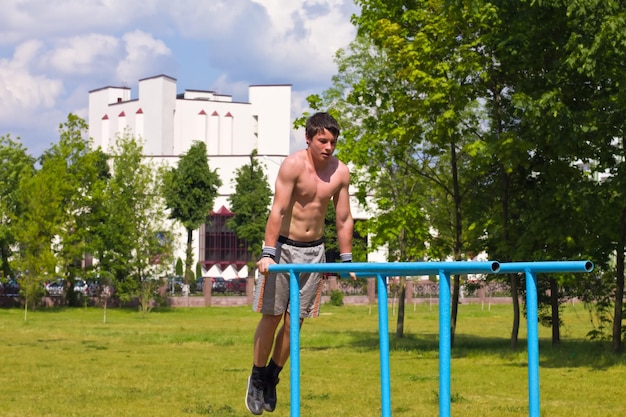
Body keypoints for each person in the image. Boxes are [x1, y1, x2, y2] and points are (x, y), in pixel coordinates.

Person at [245, 112, 354, 415]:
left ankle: (272, 378)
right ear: (308, 138)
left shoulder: (340, 172)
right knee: (272, 316)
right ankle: (256, 377)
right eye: (322, 140)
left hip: (314, 253)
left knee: (296, 323)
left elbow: (343, 218)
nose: (328, 147)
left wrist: (346, 259)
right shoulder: (293, 165)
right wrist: (268, 252)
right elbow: (278, 210)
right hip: (283, 250)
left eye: (333, 141)